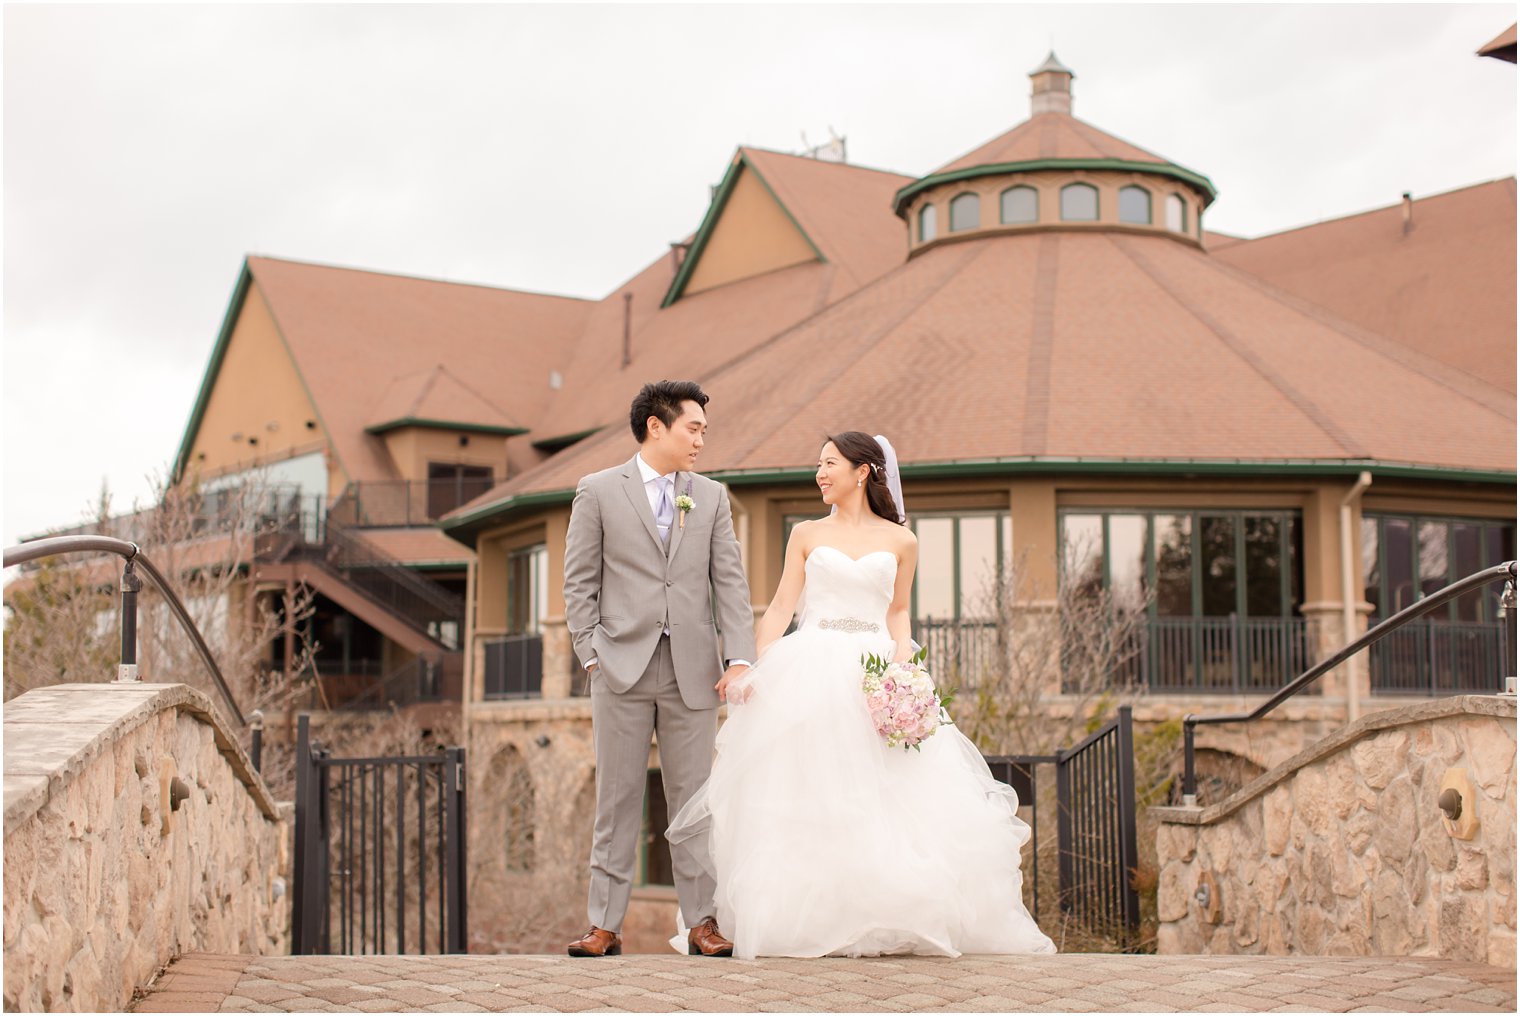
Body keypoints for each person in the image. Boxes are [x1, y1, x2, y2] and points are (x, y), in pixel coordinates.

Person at [666, 431, 1056, 959]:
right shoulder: (804, 532)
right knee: (811, 791)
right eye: (818, 464)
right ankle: (807, 918)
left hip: (875, 669)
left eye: (829, 463)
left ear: (863, 471)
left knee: (887, 794)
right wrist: (750, 666)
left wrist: (904, 668)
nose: (820, 473)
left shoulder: (902, 542)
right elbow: (782, 606)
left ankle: (885, 915)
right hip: (810, 667)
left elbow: (898, 611)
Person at [562, 380, 756, 958]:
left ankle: (702, 922)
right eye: (692, 427)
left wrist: (738, 657)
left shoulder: (713, 497)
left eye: (702, 430)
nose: (701, 438)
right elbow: (579, 581)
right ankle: (604, 924)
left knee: (694, 800)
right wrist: (589, 653)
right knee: (616, 798)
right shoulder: (597, 491)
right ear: (656, 426)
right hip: (618, 667)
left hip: (693, 672)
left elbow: (730, 584)